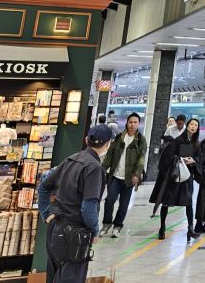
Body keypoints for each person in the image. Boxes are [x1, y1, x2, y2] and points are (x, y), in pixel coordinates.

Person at [39, 125, 112, 283]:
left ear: (87, 140)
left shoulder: (71, 159)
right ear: (108, 144)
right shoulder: (94, 168)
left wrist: (46, 214)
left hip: (55, 229)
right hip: (74, 235)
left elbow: (44, 187)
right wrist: (94, 230)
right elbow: (88, 206)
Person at [149, 117, 200, 240]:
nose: (193, 126)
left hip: (187, 176)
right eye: (191, 124)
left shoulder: (196, 143)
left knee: (188, 203)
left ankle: (190, 229)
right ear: (187, 126)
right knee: (166, 202)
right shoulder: (177, 141)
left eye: (196, 125)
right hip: (175, 176)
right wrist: (179, 159)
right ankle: (162, 228)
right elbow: (167, 157)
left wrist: (193, 161)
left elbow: (199, 158)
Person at [100, 112, 146, 238]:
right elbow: (110, 154)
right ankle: (106, 223)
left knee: (124, 203)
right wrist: (102, 169)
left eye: (135, 122)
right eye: (130, 122)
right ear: (127, 123)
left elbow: (141, 159)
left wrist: (137, 174)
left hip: (129, 178)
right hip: (115, 175)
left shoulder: (141, 140)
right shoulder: (119, 137)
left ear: (138, 124)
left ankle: (118, 225)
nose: (132, 125)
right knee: (109, 200)